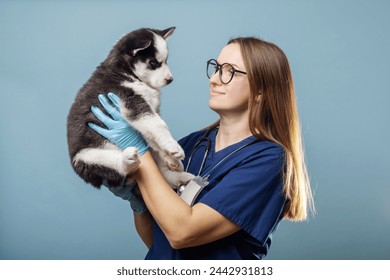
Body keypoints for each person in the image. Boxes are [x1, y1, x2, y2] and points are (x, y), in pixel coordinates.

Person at [89, 36, 314, 259]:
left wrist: (140, 151)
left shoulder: (269, 161)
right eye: (216, 68)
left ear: (260, 91)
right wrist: (138, 204)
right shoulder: (192, 145)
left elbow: (182, 233)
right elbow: (160, 243)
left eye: (230, 71)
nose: (214, 79)